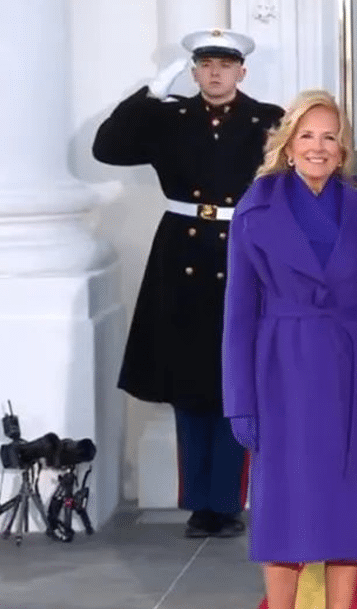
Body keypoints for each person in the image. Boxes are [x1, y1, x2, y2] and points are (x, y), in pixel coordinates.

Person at [92, 28, 284, 538]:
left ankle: (226, 501)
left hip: (244, 249)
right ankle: (200, 504)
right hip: (180, 254)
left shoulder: (268, 120)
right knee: (187, 383)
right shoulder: (169, 118)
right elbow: (106, 149)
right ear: (194, 70)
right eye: (205, 65)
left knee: (234, 381)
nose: (215, 73)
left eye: (225, 65)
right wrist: (149, 93)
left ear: (242, 71)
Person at [221, 89, 357, 609]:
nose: (318, 148)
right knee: (283, 512)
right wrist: (240, 402)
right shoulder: (255, 212)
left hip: (353, 369)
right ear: (288, 143)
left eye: (330, 138)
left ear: (343, 150)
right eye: (307, 136)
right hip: (282, 373)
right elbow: (237, 317)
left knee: (348, 510)